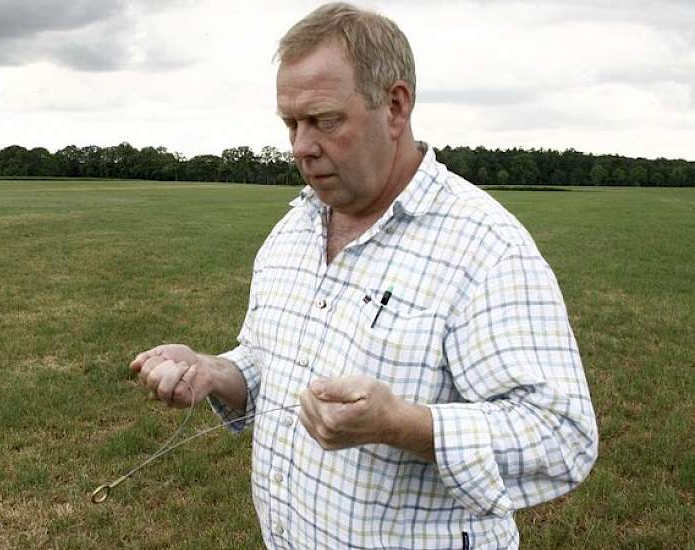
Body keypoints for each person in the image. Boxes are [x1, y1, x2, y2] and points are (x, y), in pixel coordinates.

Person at [129, 3, 598, 548]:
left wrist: (401, 423)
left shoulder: (484, 246)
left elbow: (561, 437)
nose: (301, 146)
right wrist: (211, 371)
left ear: (395, 107)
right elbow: (269, 361)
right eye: (291, 124)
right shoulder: (292, 230)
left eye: (325, 120)